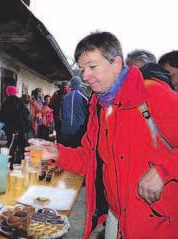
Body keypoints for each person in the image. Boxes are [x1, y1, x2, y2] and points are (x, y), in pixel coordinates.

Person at [28, 32, 178, 238]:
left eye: (92, 66)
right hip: (116, 215)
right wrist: (57, 153)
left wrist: (163, 172)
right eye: (82, 69)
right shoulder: (99, 105)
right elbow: (91, 159)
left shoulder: (152, 94)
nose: (85, 76)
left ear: (116, 63)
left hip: (154, 220)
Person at [0, 86, 32, 164]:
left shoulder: (5, 103)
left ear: (7, 93)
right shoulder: (19, 102)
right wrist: (27, 127)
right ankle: (23, 163)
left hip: (10, 129)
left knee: (11, 146)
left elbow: (1, 118)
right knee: (23, 147)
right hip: (21, 129)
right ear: (16, 92)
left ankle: (11, 163)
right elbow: (26, 115)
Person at [59, 76, 88, 147]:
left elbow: (60, 114)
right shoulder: (84, 97)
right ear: (79, 84)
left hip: (65, 129)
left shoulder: (64, 97)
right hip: (79, 130)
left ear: (71, 84)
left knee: (66, 151)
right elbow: (88, 113)